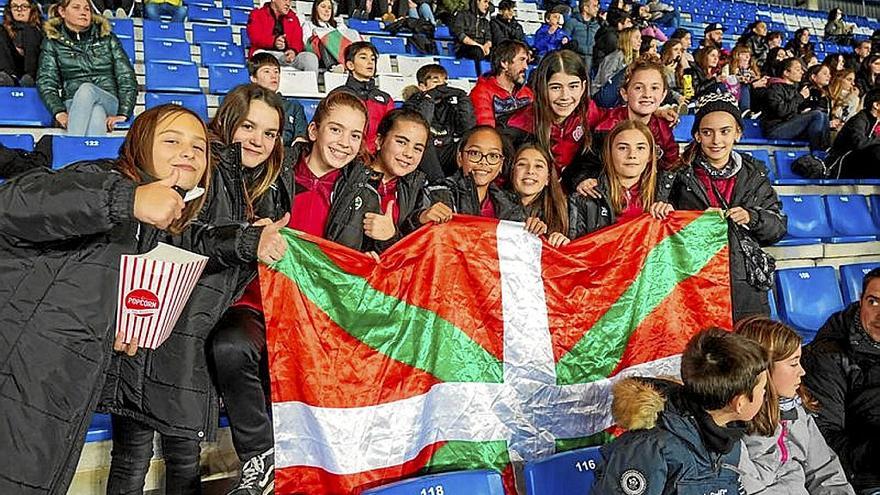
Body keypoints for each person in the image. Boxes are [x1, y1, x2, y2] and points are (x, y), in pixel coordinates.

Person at [0, 104, 215, 495]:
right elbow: (16, 201)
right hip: (20, 371)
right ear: (139, 145)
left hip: (60, 385)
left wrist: (111, 323)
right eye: (172, 141)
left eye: (198, 147)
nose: (188, 152)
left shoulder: (151, 221)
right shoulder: (100, 178)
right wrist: (124, 199)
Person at [100, 91, 288, 495]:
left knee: (181, 453)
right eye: (248, 126)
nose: (258, 140)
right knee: (135, 453)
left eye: (270, 133)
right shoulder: (201, 170)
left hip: (193, 331)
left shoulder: (262, 182)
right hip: (153, 324)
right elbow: (192, 239)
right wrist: (245, 239)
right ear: (227, 122)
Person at [210, 91, 369, 495]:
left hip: (315, 318)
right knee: (230, 346)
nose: (344, 142)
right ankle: (260, 458)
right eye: (336, 129)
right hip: (257, 302)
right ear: (313, 130)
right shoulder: (269, 170)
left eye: (355, 135)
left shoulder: (364, 195)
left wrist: (374, 254)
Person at [656, 93, 786, 321]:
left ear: (738, 133)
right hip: (693, 284)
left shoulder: (755, 174)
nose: (716, 140)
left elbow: (778, 227)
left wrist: (752, 217)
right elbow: (663, 235)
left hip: (745, 285)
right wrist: (691, 219)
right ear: (697, 135)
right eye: (707, 132)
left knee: (746, 343)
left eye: (725, 131)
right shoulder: (676, 175)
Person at [593, 328, 770, 495]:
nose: (765, 394)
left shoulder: (727, 439)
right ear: (739, 403)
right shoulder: (650, 448)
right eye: (762, 388)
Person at [735, 317, 855, 495]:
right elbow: (747, 486)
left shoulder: (798, 413)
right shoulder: (735, 424)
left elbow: (825, 472)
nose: (802, 371)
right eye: (793, 363)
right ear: (762, 369)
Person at [802, 268, 880, 495]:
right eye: (874, 302)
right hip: (863, 477)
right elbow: (823, 443)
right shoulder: (827, 356)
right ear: (861, 301)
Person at [326, 108, 430, 253]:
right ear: (379, 141)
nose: (409, 154)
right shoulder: (348, 177)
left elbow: (410, 254)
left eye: (418, 149)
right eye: (401, 142)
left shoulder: (415, 189)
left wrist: (416, 221)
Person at [505, 49, 603, 193]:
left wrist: (580, 178)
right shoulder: (519, 127)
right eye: (556, 87)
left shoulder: (590, 114)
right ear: (542, 87)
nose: (565, 96)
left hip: (571, 197)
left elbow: (592, 160)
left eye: (573, 86)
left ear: (583, 87)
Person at [37, 0, 136, 136]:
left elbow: (126, 76)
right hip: (73, 103)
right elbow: (46, 81)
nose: (83, 12)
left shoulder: (107, 38)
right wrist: (59, 112)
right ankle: (92, 150)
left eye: (87, 9)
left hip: (108, 100)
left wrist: (123, 114)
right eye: (76, 8)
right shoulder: (53, 42)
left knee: (86, 89)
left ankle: (72, 144)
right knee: (96, 113)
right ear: (62, 11)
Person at [413, 125, 531, 224]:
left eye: (493, 156)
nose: (483, 162)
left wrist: (533, 228)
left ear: (501, 164)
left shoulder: (510, 204)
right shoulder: (436, 194)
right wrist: (420, 219)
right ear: (460, 158)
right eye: (475, 153)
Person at [569, 119, 665, 238]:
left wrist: (672, 217)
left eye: (640, 148)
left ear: (650, 155)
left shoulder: (666, 194)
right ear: (609, 153)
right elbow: (576, 245)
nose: (632, 155)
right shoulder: (586, 196)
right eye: (623, 148)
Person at [591, 60, 678, 171]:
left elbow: (671, 165)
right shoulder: (608, 126)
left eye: (654, 88)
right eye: (638, 88)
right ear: (625, 94)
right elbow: (592, 167)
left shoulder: (663, 129)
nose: (647, 94)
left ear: (663, 95)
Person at [404, 63, 476, 178]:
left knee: (470, 142)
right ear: (422, 87)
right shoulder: (411, 105)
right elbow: (421, 126)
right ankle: (438, 182)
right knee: (423, 140)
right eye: (435, 81)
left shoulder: (450, 108)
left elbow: (467, 128)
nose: (441, 86)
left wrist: (462, 97)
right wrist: (429, 98)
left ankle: (468, 181)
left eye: (444, 82)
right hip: (422, 158)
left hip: (446, 154)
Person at [328, 41, 394, 156]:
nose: (370, 62)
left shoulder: (385, 99)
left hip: (375, 157)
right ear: (350, 65)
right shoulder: (339, 94)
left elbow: (391, 131)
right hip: (342, 154)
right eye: (363, 58)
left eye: (373, 59)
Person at [761, 57, 831, 153]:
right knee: (817, 115)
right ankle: (817, 152)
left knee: (823, 116)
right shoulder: (774, 89)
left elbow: (795, 109)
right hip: (776, 129)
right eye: (798, 70)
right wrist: (800, 97)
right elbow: (782, 111)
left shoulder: (795, 88)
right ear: (786, 73)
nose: (802, 72)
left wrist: (803, 112)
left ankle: (825, 151)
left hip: (790, 125)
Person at [507, 143, 570, 247]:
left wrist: (563, 245)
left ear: (548, 179)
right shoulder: (494, 205)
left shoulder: (567, 212)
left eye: (538, 166)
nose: (530, 171)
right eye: (522, 164)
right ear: (512, 172)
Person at [469, 39, 533, 127]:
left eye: (526, 62)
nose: (526, 67)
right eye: (521, 60)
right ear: (504, 63)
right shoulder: (482, 93)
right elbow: (486, 131)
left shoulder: (527, 93)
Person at [249, 52, 307, 146]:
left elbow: (301, 140)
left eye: (276, 72)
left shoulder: (293, 106)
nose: (274, 76)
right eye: (267, 71)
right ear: (253, 78)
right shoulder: (246, 104)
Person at [246, 0, 319, 72]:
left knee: (310, 58)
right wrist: (274, 41)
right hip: (265, 53)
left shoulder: (293, 17)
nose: (288, 4)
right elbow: (255, 37)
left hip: (286, 56)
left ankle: (311, 80)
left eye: (290, 1)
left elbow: (298, 41)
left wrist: (293, 51)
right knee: (263, 58)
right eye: (285, 0)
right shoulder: (257, 14)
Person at [825, 88, 880, 179]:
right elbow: (859, 143)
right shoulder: (859, 120)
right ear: (876, 105)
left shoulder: (876, 120)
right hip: (844, 161)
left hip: (863, 161)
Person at [301, 0, 363, 69]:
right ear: (316, 9)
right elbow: (306, 44)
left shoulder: (338, 24)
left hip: (340, 54)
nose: (327, 10)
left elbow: (347, 36)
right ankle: (333, 67)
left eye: (329, 8)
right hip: (320, 57)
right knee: (323, 39)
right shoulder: (308, 24)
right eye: (323, 7)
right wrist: (317, 36)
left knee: (353, 33)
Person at [592, 26, 640, 107]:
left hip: (618, 96)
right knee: (630, 70)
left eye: (640, 38)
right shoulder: (617, 56)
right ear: (627, 39)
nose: (640, 41)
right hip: (601, 94)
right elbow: (605, 79)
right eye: (636, 37)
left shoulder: (632, 58)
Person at [0, 0, 42, 86]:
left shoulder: (41, 28)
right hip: (11, 68)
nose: (19, 10)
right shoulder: (4, 30)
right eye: (15, 6)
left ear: (32, 9)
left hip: (35, 69)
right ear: (9, 10)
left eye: (24, 6)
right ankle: (8, 77)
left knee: (30, 29)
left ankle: (31, 77)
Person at [451, 0, 492, 75]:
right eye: (485, 2)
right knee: (477, 51)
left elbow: (488, 38)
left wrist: (487, 46)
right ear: (477, 1)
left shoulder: (485, 22)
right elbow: (461, 36)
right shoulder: (462, 15)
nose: (487, 5)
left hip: (481, 48)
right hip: (464, 47)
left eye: (488, 3)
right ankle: (480, 76)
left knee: (496, 53)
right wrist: (479, 46)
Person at [730, 44, 768, 116]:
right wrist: (752, 85)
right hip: (736, 94)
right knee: (745, 86)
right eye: (744, 54)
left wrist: (761, 81)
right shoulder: (729, 68)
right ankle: (745, 111)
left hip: (752, 96)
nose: (747, 57)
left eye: (749, 54)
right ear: (737, 55)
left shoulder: (753, 69)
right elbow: (729, 83)